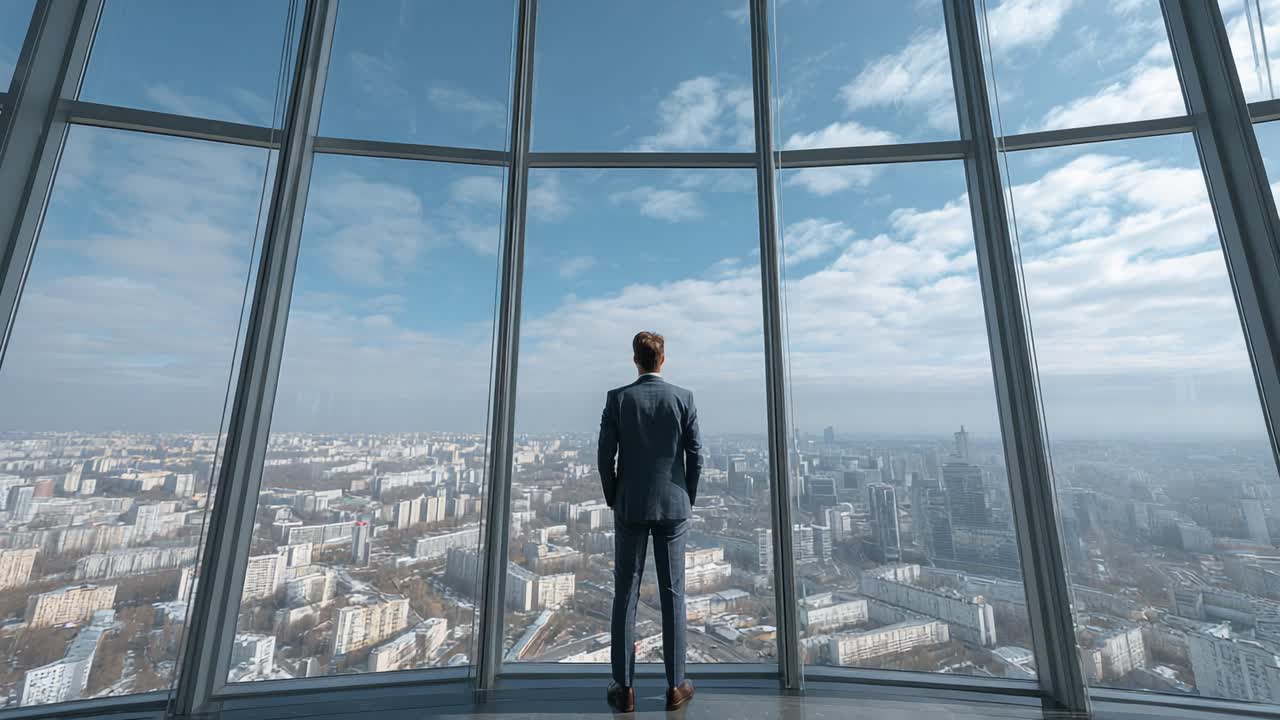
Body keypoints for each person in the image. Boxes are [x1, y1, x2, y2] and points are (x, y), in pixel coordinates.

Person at [598, 331, 701, 713]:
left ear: (635, 360)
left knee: (625, 594)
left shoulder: (618, 399)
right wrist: (685, 496)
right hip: (674, 507)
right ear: (663, 360)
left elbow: (604, 455)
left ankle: (624, 688)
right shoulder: (683, 398)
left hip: (630, 506)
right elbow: (696, 454)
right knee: (674, 594)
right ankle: (675, 686)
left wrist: (614, 496)